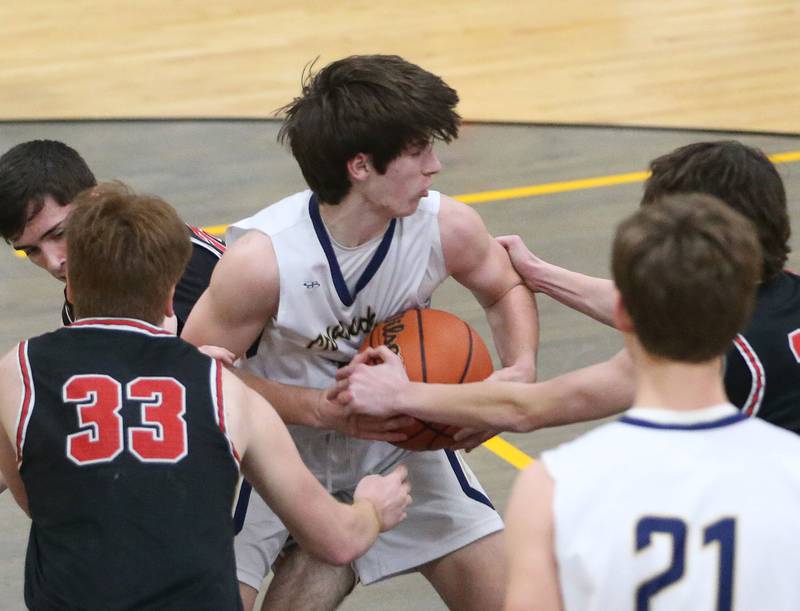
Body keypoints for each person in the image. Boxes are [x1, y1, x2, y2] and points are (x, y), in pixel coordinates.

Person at [182, 54, 539, 610]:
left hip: (398, 445)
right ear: (360, 167)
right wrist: (319, 409)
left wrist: (518, 370)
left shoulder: (445, 226)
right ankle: (329, 548)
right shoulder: (264, 260)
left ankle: (332, 549)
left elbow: (504, 289)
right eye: (418, 151)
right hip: (279, 450)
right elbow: (193, 373)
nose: (435, 167)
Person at [0, 183, 411, 611]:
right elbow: (337, 540)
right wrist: (372, 508)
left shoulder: (17, 371)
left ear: (71, 288)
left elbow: (40, 505)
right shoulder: (226, 390)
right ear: (169, 293)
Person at [332, 140, 800, 435]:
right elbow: (651, 307)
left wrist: (400, 394)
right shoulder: (781, 292)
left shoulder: (700, 353)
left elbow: (529, 408)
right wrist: (542, 275)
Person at [504, 194, 800, 611]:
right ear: (740, 312)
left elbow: (529, 407)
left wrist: (402, 393)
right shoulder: (792, 473)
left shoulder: (551, 487)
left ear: (622, 312)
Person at [0, 139, 225, 333]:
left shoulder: (175, 266)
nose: (53, 263)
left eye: (60, 233)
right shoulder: (93, 286)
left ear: (96, 199)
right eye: (32, 251)